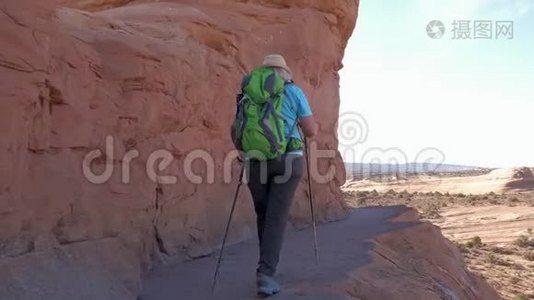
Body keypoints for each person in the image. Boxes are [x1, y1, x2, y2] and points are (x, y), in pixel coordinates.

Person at [241, 54, 317, 296]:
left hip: (254, 161)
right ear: (285, 72)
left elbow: (238, 127)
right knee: (276, 217)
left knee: (263, 215)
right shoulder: (293, 92)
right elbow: (311, 130)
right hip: (288, 160)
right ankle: (265, 274)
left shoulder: (249, 93)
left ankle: (266, 268)